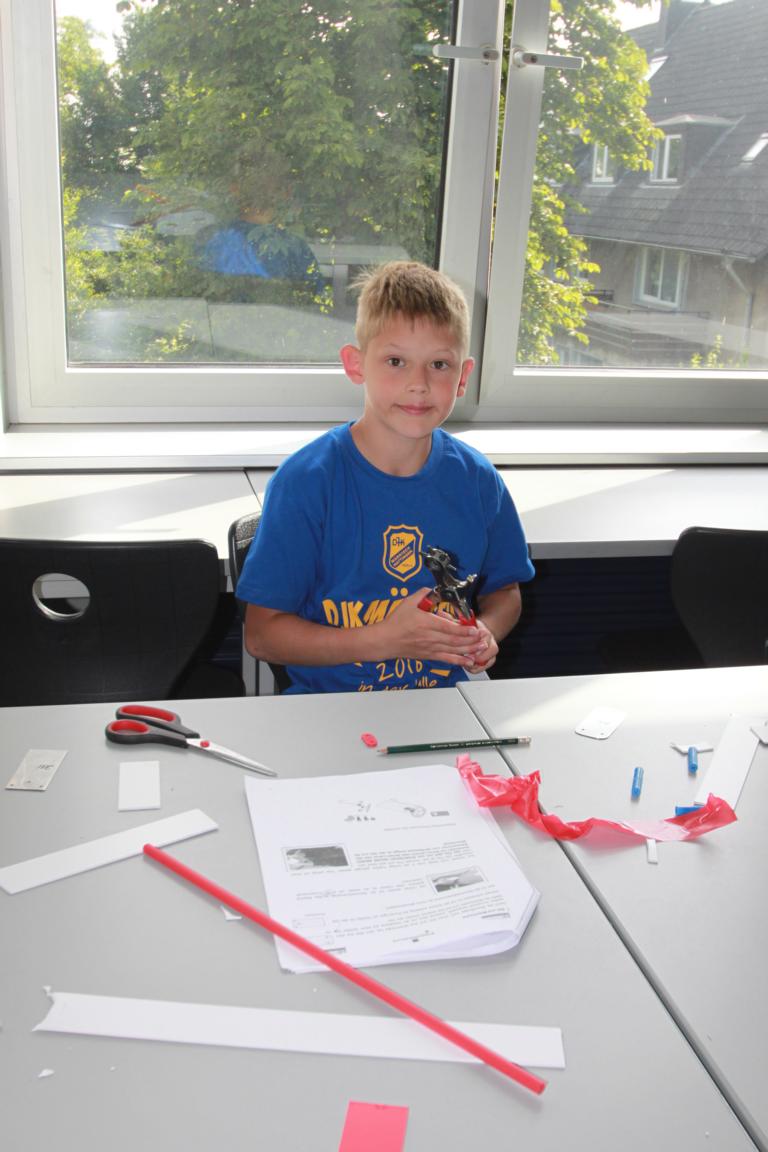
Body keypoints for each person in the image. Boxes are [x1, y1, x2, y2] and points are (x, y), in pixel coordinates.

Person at [237, 260, 534, 693]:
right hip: (329, 708)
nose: (419, 384)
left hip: (446, 704)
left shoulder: (477, 480)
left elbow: (505, 593)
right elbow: (262, 636)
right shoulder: (307, 482)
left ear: (463, 377)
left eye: (439, 364)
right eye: (396, 361)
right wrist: (385, 640)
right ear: (356, 365)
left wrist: (486, 632)